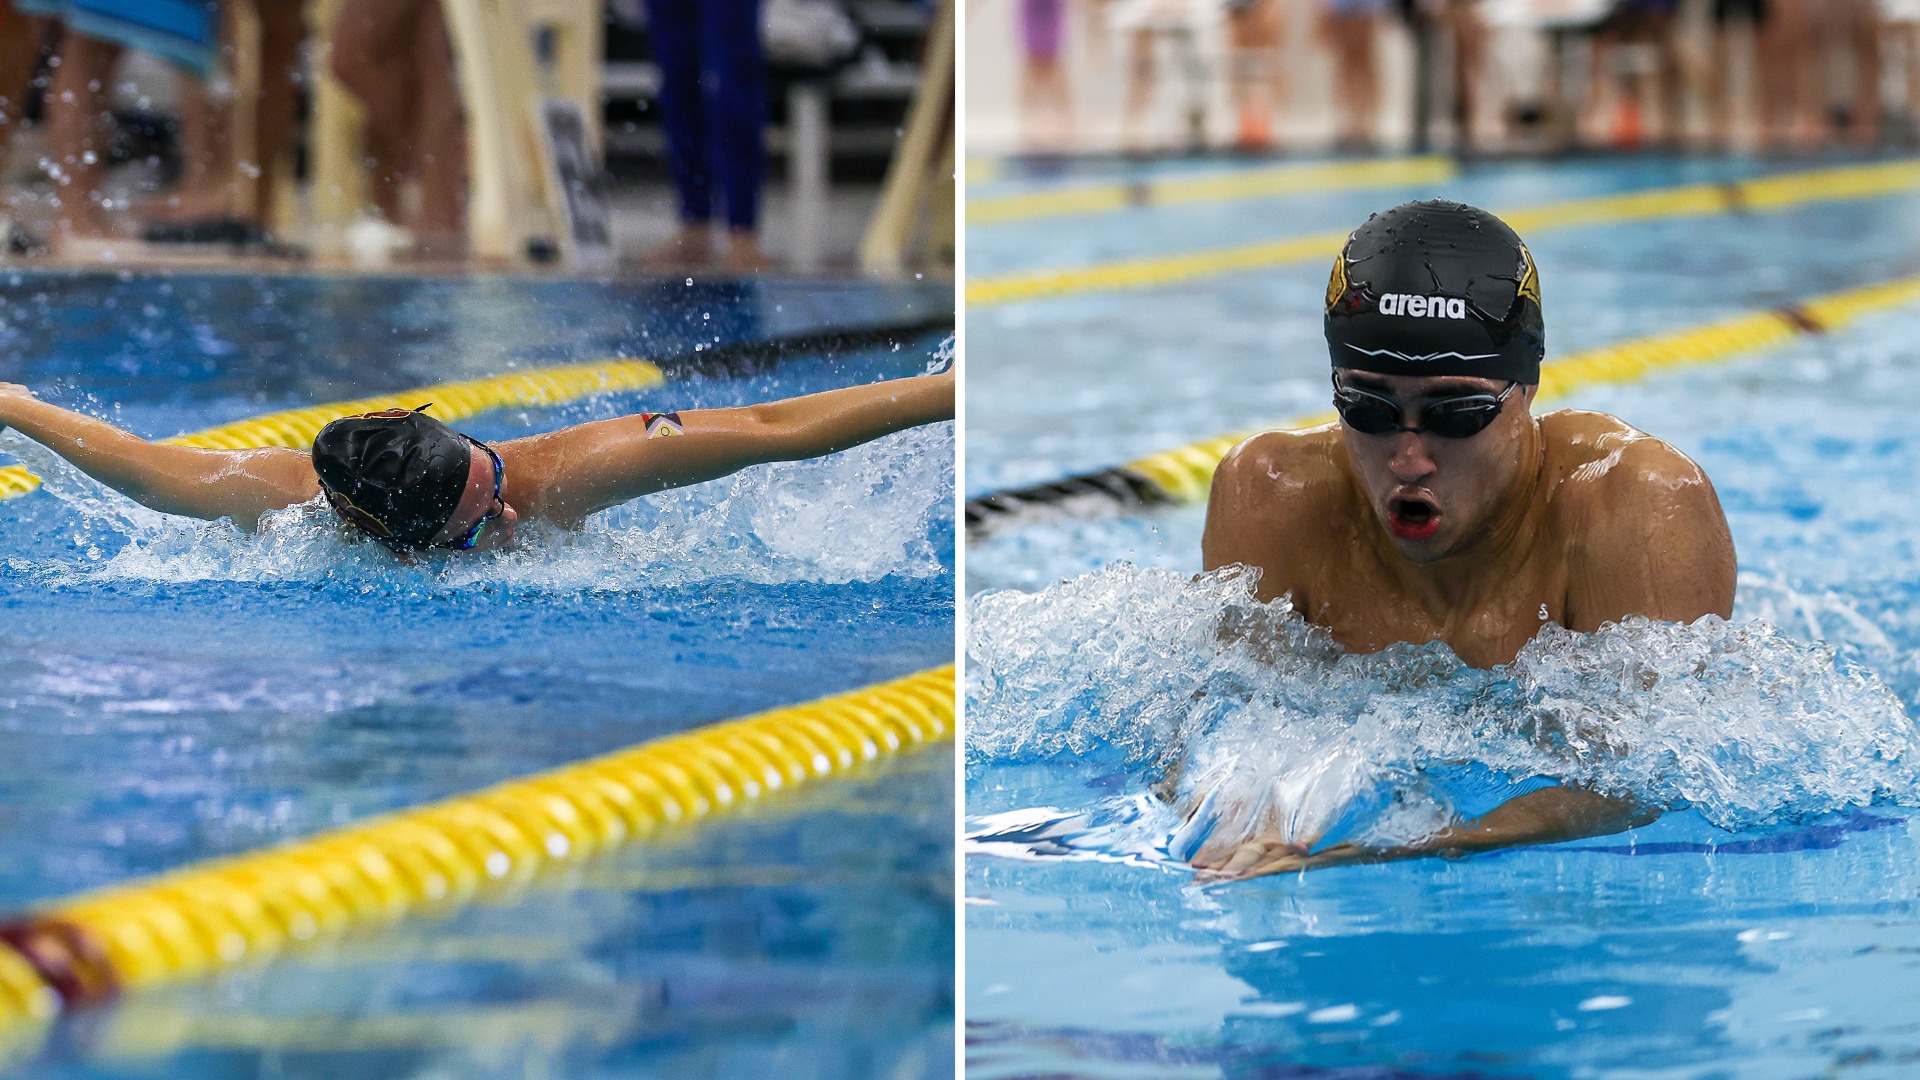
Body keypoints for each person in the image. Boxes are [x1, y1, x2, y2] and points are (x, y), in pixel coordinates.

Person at [1191, 200, 1736, 881]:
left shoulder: (1635, 507)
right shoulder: (1271, 497)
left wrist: (1414, 842)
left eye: (1456, 415)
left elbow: (1651, 774)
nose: (1409, 458)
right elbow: (1221, 727)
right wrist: (1237, 810)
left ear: (1526, 390)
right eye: (1368, 408)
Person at [0, 369, 954, 554]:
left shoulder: (568, 472)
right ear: (363, 529)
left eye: (488, 482)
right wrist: (16, 410)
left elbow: (779, 426)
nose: (507, 518)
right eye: (475, 531)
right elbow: (135, 465)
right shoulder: (286, 500)